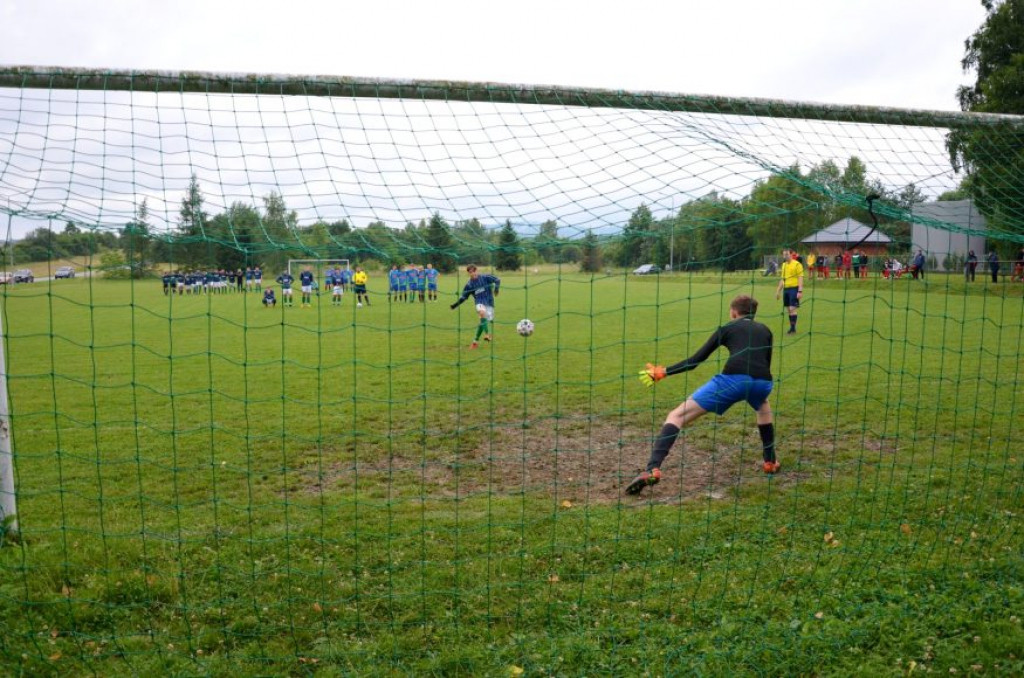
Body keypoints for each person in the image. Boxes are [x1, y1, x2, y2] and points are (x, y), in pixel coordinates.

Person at [625, 295, 779, 495]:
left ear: (733, 312)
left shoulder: (727, 328)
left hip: (733, 381)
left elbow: (696, 360)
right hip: (763, 382)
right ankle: (770, 461)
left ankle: (652, 469)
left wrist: (663, 371)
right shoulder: (766, 330)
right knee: (763, 407)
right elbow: (765, 363)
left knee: (676, 416)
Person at [450, 264, 500, 349]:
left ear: (477, 271)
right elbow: (463, 297)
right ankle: (488, 334)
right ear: (469, 273)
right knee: (482, 313)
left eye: (474, 271)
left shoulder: (485, 277)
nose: (473, 273)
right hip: (479, 302)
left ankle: (475, 342)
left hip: (489, 302)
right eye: (470, 272)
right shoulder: (469, 285)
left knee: (482, 322)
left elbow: (497, 280)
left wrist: (496, 289)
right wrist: (455, 305)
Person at [775, 250, 804, 335]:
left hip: (794, 289)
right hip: (786, 289)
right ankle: (792, 328)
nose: (785, 256)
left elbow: (800, 278)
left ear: (791, 254)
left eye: (787, 254)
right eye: (784, 254)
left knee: (792, 308)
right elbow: (782, 279)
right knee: (788, 309)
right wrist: (778, 291)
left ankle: (793, 329)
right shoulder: (784, 265)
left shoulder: (797, 264)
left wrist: (800, 291)